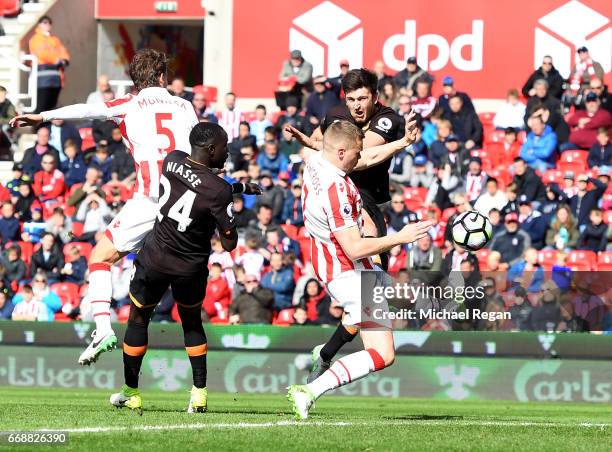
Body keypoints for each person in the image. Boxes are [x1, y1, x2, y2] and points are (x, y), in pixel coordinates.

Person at [10, 49, 205, 365]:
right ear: (161, 77)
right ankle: (196, 384)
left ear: (136, 81)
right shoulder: (185, 106)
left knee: (99, 258)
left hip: (149, 200)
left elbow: (86, 110)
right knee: (179, 287)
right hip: (186, 201)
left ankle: (102, 328)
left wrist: (42, 116)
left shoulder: (129, 103)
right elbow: (201, 152)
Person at [109, 122, 260, 414]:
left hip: (155, 258)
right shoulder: (218, 191)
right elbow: (228, 243)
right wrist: (231, 213)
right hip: (189, 267)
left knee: (139, 319)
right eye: (225, 146)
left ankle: (131, 392)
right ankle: (199, 394)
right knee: (191, 323)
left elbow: (198, 186)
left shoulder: (172, 160)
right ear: (211, 149)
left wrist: (237, 188)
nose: (228, 152)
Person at [287, 120, 431, 420]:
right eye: (355, 152)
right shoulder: (336, 189)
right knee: (383, 353)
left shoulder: (316, 162)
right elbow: (353, 247)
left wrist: (401, 143)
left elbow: (363, 158)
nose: (359, 158)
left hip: (340, 264)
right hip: (348, 272)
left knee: (400, 299)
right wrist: (400, 237)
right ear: (341, 151)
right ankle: (310, 390)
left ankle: (325, 353)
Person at [285, 68, 419, 270]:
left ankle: (370, 281)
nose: (356, 106)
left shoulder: (387, 119)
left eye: (362, 99)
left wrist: (403, 142)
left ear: (375, 97)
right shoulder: (336, 114)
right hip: (336, 186)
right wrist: (310, 146)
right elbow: (314, 139)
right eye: (351, 99)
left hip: (369, 193)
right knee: (367, 230)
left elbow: (361, 155)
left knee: (375, 248)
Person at [28, 16, 70, 113]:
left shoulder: (55, 39)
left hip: (56, 78)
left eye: (49, 23)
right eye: (45, 22)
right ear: (39, 24)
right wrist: (56, 59)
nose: (47, 25)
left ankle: (47, 127)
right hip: (42, 78)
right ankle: (39, 128)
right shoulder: (36, 39)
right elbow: (41, 53)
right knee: (42, 106)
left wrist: (64, 60)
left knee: (52, 106)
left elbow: (63, 51)